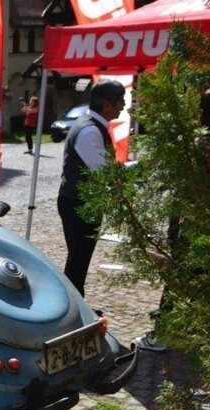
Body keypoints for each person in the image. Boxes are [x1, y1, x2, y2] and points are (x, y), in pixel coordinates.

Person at [57, 79, 126, 297]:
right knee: (79, 258)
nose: (123, 106)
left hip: (78, 200)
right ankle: (74, 306)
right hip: (79, 203)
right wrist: (139, 169)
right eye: (120, 102)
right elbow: (103, 172)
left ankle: (76, 302)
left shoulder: (91, 126)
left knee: (79, 258)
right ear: (107, 104)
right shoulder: (90, 131)